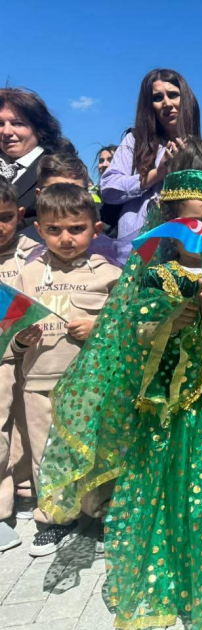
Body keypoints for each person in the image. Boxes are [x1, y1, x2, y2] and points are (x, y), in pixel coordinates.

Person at [38, 155, 202, 628]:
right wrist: (169, 323)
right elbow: (134, 333)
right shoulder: (156, 276)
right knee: (174, 489)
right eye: (194, 224)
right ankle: (176, 575)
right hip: (171, 413)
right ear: (170, 226)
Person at [10, 183, 121, 556]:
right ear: (39, 230)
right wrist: (21, 340)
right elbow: (10, 334)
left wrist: (98, 326)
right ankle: (54, 518)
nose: (66, 238)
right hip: (39, 383)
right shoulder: (27, 275)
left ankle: (101, 513)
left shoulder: (109, 275)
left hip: (91, 386)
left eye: (76, 228)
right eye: (54, 229)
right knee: (45, 454)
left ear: (96, 229)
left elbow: (126, 327)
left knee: (95, 450)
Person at [100, 69, 201, 263]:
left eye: (173, 95)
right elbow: (109, 189)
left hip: (184, 252)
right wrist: (157, 173)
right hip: (134, 255)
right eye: (157, 98)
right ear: (149, 106)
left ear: (186, 99)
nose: (167, 103)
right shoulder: (134, 142)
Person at [0, 179, 38, 552]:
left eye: (5, 217)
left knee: (29, 424)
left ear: (20, 214)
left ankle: (27, 490)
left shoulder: (34, 253)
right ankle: (0, 510)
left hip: (31, 352)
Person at [0, 87, 77, 224]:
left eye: (17, 124)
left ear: (40, 130)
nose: (6, 132)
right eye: (0, 124)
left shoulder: (59, 169)